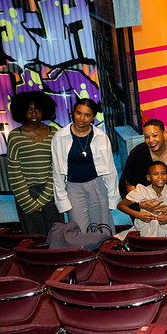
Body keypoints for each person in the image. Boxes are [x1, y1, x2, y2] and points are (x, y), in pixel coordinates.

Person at [51, 98, 119, 233]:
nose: (81, 118)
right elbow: (57, 172)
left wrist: (112, 197)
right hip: (72, 188)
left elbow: (111, 170)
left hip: (97, 186)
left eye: (87, 115)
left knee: (102, 228)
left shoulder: (101, 136)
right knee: (79, 230)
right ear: (73, 113)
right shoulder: (60, 137)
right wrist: (62, 199)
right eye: (78, 113)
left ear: (93, 117)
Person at [6, 90, 64, 235]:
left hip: (51, 191)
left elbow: (57, 167)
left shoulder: (54, 133)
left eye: (37, 109)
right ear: (21, 111)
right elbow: (14, 171)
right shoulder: (15, 136)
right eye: (28, 110)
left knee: (57, 236)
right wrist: (28, 201)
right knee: (34, 239)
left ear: (44, 110)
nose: (33, 114)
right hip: (26, 193)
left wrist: (45, 197)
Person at [120, 119, 167, 219]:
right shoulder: (137, 154)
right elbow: (129, 184)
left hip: (163, 197)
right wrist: (141, 203)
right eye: (147, 137)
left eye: (154, 135)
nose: (151, 140)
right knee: (144, 225)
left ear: (164, 134)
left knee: (164, 222)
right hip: (135, 196)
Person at [116, 161, 167, 238]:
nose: (160, 177)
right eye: (155, 174)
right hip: (141, 233)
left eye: (163, 173)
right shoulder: (142, 191)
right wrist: (138, 215)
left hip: (164, 235)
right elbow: (121, 205)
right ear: (148, 177)